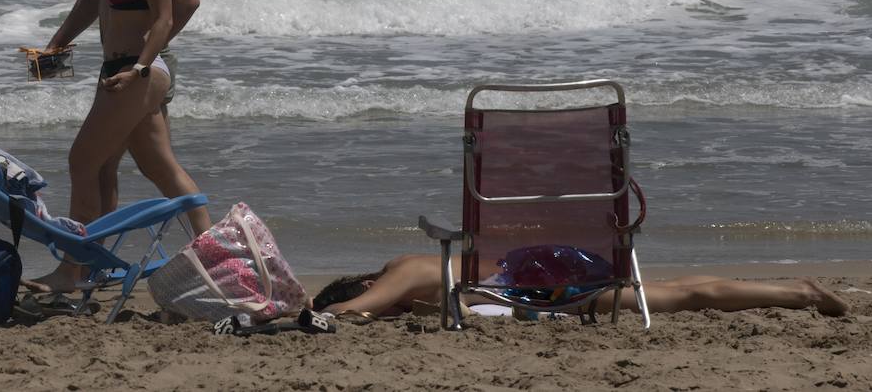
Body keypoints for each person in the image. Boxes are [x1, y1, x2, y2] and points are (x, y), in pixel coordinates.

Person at [32, 0, 210, 292]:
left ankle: (72, 270)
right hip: (119, 69)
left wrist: (142, 64)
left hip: (140, 70)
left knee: (83, 161)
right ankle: (213, 251)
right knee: (151, 165)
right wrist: (57, 43)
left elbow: (174, 11)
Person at [311, 253, 849, 319]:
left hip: (553, 291)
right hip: (557, 263)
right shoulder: (429, 267)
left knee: (684, 297)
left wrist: (302, 312)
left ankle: (799, 293)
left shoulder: (403, 273)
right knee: (677, 286)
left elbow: (356, 312)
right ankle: (796, 289)